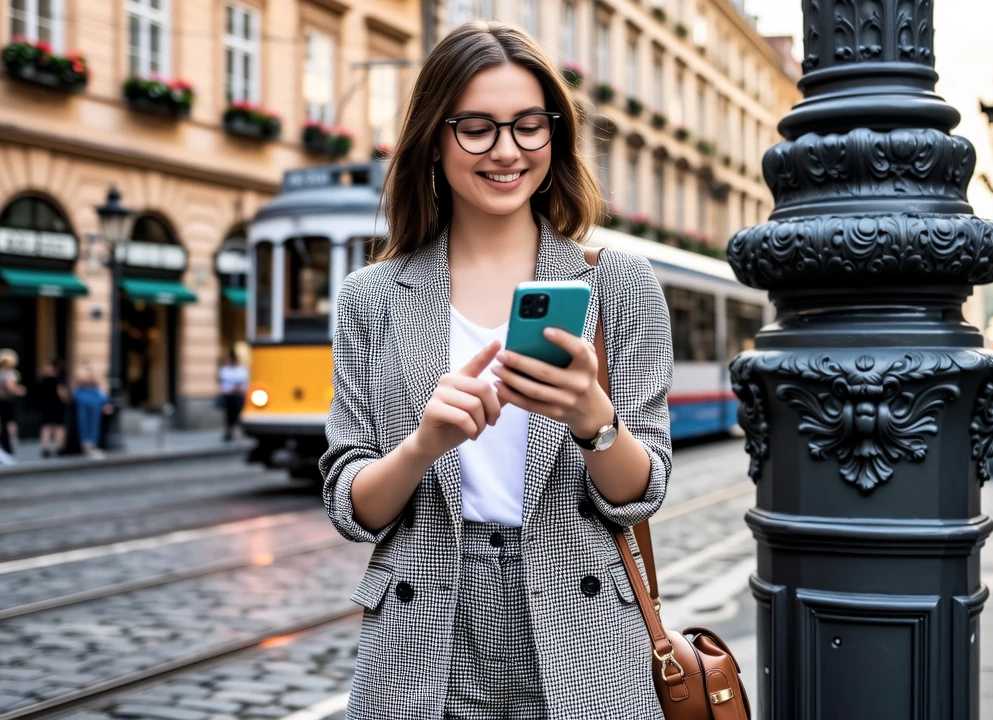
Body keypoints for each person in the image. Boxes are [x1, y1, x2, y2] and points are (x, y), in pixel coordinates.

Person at [319, 21, 673, 719]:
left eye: (528, 126)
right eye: (476, 128)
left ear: (554, 136)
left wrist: (593, 420)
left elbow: (642, 493)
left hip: (583, 623)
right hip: (424, 628)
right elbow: (351, 507)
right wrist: (423, 445)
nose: (506, 150)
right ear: (435, 138)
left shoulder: (619, 284)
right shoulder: (372, 297)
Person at [0, 349, 26, 464]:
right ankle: (6, 449)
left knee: (4, 424)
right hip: (7, 401)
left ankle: (2, 448)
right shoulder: (9, 374)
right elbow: (11, 388)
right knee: (9, 424)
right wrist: (20, 390)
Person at [72, 364, 111, 459]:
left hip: (94, 403)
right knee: (84, 423)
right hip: (85, 402)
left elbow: (101, 393)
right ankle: (86, 444)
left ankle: (91, 444)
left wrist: (106, 403)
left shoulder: (94, 386)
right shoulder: (82, 384)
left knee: (93, 424)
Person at [37, 357, 69, 457]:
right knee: (59, 426)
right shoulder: (58, 378)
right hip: (57, 405)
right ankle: (59, 447)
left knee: (46, 426)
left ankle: (45, 448)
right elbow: (61, 393)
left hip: (46, 405)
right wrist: (66, 400)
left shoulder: (44, 378)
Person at [218, 351, 249, 441]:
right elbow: (221, 382)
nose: (227, 361)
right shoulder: (224, 370)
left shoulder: (241, 370)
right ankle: (229, 432)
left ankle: (240, 430)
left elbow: (244, 382)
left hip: (238, 395)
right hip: (228, 396)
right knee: (229, 414)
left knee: (238, 414)